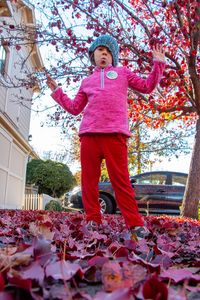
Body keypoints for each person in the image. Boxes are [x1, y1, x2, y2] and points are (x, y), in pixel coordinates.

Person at [46, 34, 165, 240]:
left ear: (114, 57)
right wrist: (57, 91)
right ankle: (93, 220)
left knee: (121, 181)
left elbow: (147, 86)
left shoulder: (123, 73)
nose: (104, 54)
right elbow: (75, 108)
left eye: (109, 52)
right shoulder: (87, 81)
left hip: (115, 135)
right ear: (93, 56)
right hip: (89, 136)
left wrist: (158, 64)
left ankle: (135, 224)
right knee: (88, 181)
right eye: (100, 51)